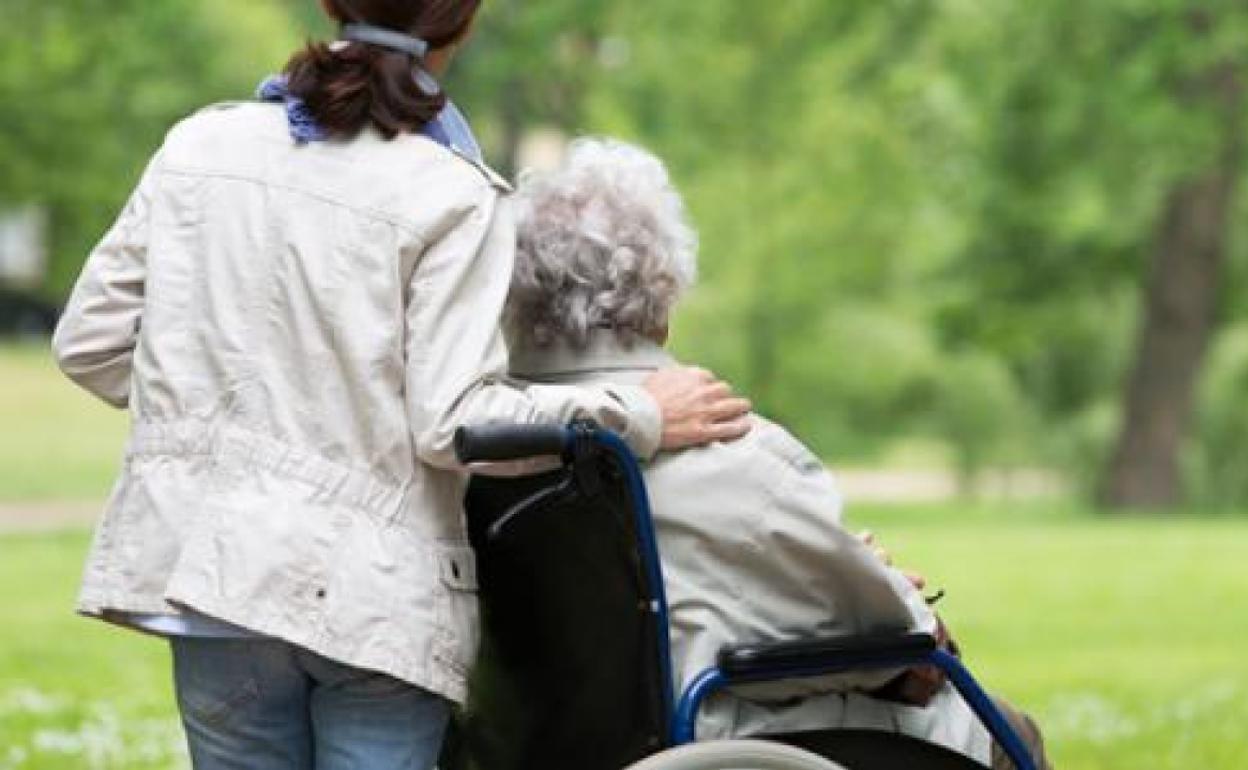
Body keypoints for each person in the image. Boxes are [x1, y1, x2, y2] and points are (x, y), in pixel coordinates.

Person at [50, 3, 751, 768]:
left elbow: (90, 343)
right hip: (372, 597)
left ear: (329, 5)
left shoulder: (198, 145)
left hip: (212, 576)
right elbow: (455, 423)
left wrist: (211, 401)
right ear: (465, 23)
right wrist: (638, 413)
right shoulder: (452, 192)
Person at [504, 138, 1052, 770]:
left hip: (563, 743)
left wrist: (844, 572)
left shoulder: (500, 440)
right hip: (723, 740)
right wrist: (889, 594)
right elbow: (905, 653)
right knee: (1010, 732)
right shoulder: (734, 449)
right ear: (663, 287)